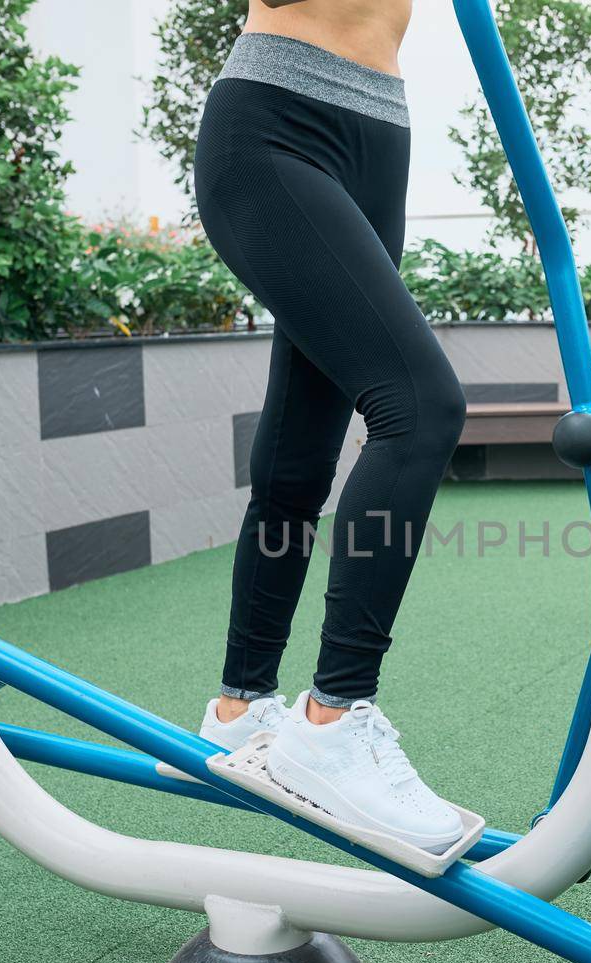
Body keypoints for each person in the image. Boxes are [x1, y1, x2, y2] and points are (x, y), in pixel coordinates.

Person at [192, 0, 467, 854]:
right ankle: (331, 722)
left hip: (380, 133)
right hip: (276, 121)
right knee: (420, 407)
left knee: (305, 443)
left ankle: (239, 708)